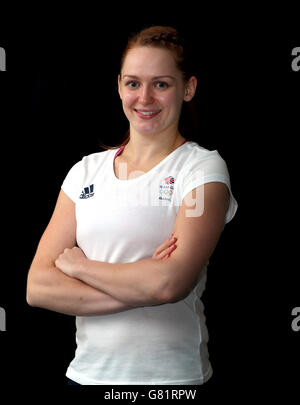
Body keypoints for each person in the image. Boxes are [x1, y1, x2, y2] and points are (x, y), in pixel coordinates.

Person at [26, 25, 238, 385]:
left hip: (172, 382)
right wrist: (144, 284)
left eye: (161, 84)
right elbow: (38, 287)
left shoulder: (202, 170)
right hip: (86, 377)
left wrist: (81, 267)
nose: (145, 98)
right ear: (119, 85)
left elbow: (171, 284)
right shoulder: (84, 171)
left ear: (188, 89)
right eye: (133, 83)